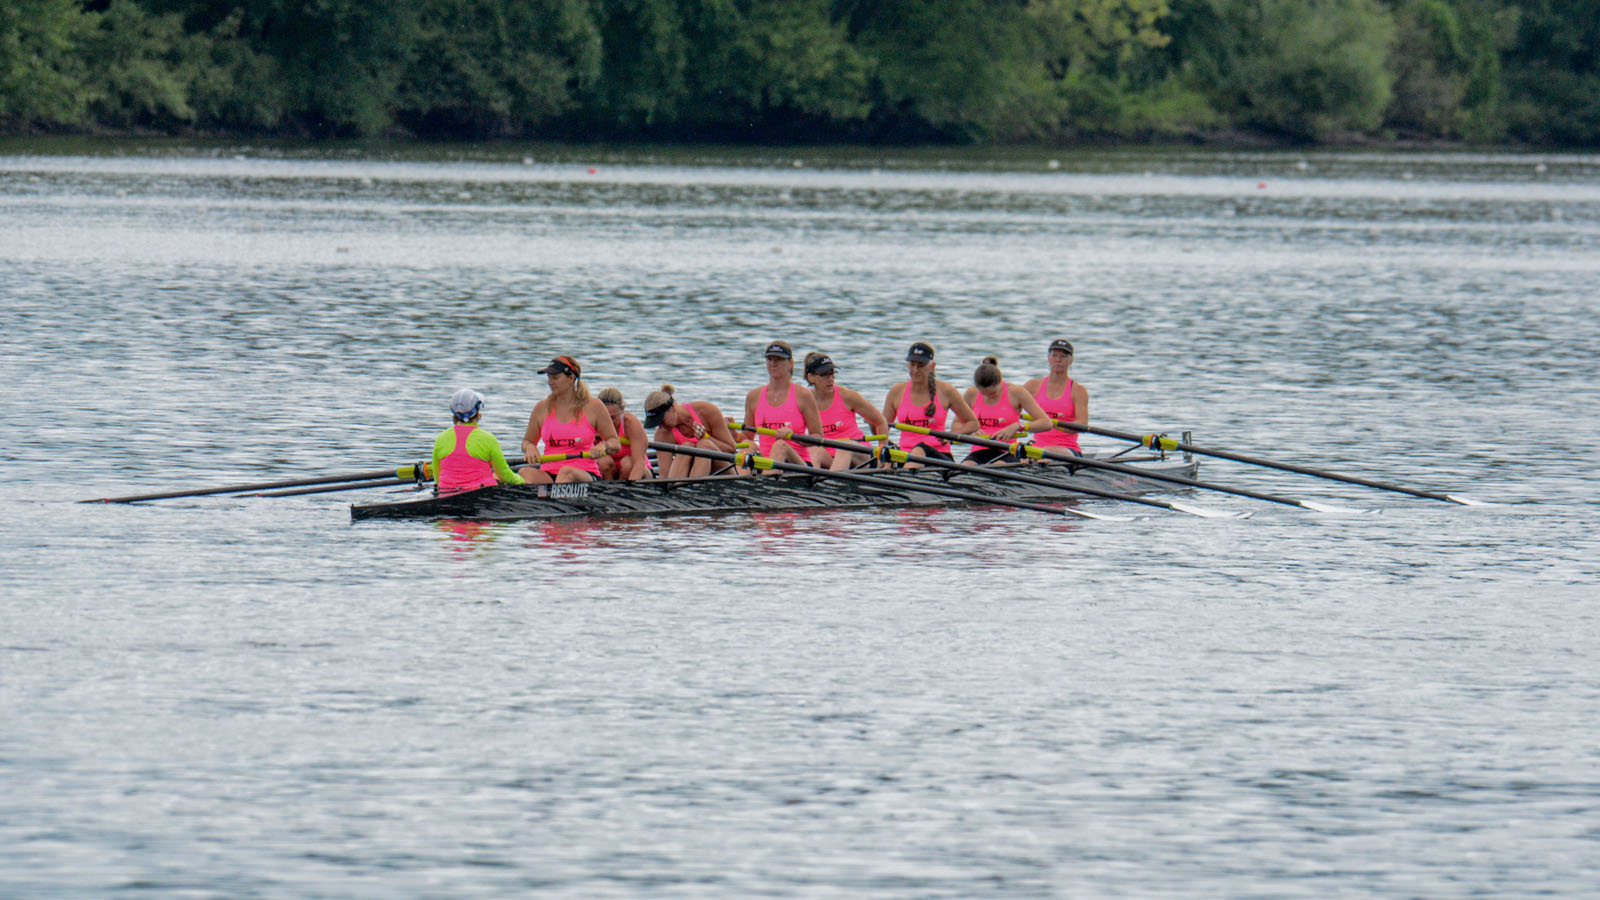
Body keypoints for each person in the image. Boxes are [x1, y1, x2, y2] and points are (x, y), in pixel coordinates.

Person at [518, 355, 620, 484]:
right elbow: (527, 441)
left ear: (571, 378)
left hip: (584, 475)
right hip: (549, 473)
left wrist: (604, 445)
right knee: (524, 472)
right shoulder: (541, 408)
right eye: (549, 378)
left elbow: (615, 442)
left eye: (555, 378)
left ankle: (551, 502)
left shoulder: (594, 406)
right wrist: (530, 447)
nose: (550, 382)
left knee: (566, 472)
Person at [880, 342, 979, 468]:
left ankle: (903, 480)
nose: (915, 370)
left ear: (932, 366)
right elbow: (883, 427)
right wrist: (883, 451)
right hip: (905, 456)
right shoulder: (896, 391)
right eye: (912, 365)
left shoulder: (946, 391)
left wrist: (951, 435)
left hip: (939, 458)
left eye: (920, 365)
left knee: (919, 449)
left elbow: (973, 423)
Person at [741, 341, 826, 470]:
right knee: (747, 445)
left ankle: (766, 485)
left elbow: (818, 436)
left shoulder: (803, 395)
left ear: (790, 363)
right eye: (769, 359)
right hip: (766, 462)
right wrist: (730, 433)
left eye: (779, 360)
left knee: (780, 445)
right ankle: (742, 486)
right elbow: (747, 436)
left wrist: (794, 437)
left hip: (798, 464)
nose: (773, 363)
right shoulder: (754, 396)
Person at [803, 351, 888, 471]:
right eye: (824, 375)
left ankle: (831, 484)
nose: (830, 379)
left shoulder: (848, 396)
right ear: (811, 377)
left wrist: (882, 456)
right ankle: (809, 484)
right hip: (830, 457)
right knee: (814, 449)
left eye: (832, 374)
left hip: (860, 455)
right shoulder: (804, 400)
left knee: (844, 447)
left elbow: (880, 422)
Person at [961, 356, 1054, 465]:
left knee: (997, 466)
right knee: (966, 466)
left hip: (1007, 451)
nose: (989, 397)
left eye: (993, 393)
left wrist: (1018, 426)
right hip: (979, 451)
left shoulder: (1016, 393)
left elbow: (1046, 423)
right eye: (984, 394)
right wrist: (970, 429)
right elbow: (957, 426)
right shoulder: (971, 394)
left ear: (1000, 381)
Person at [432, 389, 525, 494]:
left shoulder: (441, 438)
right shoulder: (488, 439)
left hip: (446, 493)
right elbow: (505, 476)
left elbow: (437, 478)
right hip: (482, 496)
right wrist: (524, 482)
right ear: (477, 411)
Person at [644, 385, 741, 478]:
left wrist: (707, 437)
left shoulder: (706, 411)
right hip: (688, 477)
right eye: (656, 423)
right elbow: (665, 475)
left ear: (673, 407)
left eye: (661, 420)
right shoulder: (663, 434)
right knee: (687, 446)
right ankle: (686, 490)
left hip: (723, 471)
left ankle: (693, 489)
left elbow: (731, 449)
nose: (660, 426)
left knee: (704, 444)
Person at [1021, 338, 1090, 455]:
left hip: (1067, 449)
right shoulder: (1032, 386)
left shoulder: (1078, 391)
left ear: (1071, 360)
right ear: (1048, 358)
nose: (1058, 360)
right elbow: (1009, 405)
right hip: (1037, 447)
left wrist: (1053, 424)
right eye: (1054, 355)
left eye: (1063, 356)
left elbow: (1082, 424)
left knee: (1043, 454)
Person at [597, 387, 653, 481]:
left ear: (622, 409)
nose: (609, 422)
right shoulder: (593, 422)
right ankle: (608, 490)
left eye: (613, 417)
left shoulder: (631, 424)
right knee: (603, 462)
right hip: (609, 471)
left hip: (637, 470)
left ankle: (621, 489)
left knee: (627, 464)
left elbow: (639, 463)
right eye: (605, 417)